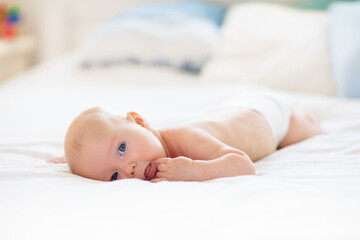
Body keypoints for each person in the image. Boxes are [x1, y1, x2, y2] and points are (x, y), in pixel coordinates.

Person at [49, 96, 322, 182]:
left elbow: (244, 165)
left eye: (121, 149)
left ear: (141, 123)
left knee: (304, 130)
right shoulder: (140, 154)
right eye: (113, 176)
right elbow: (99, 159)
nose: (128, 170)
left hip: (265, 118)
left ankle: (298, 110)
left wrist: (192, 170)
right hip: (225, 115)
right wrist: (89, 162)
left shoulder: (186, 140)